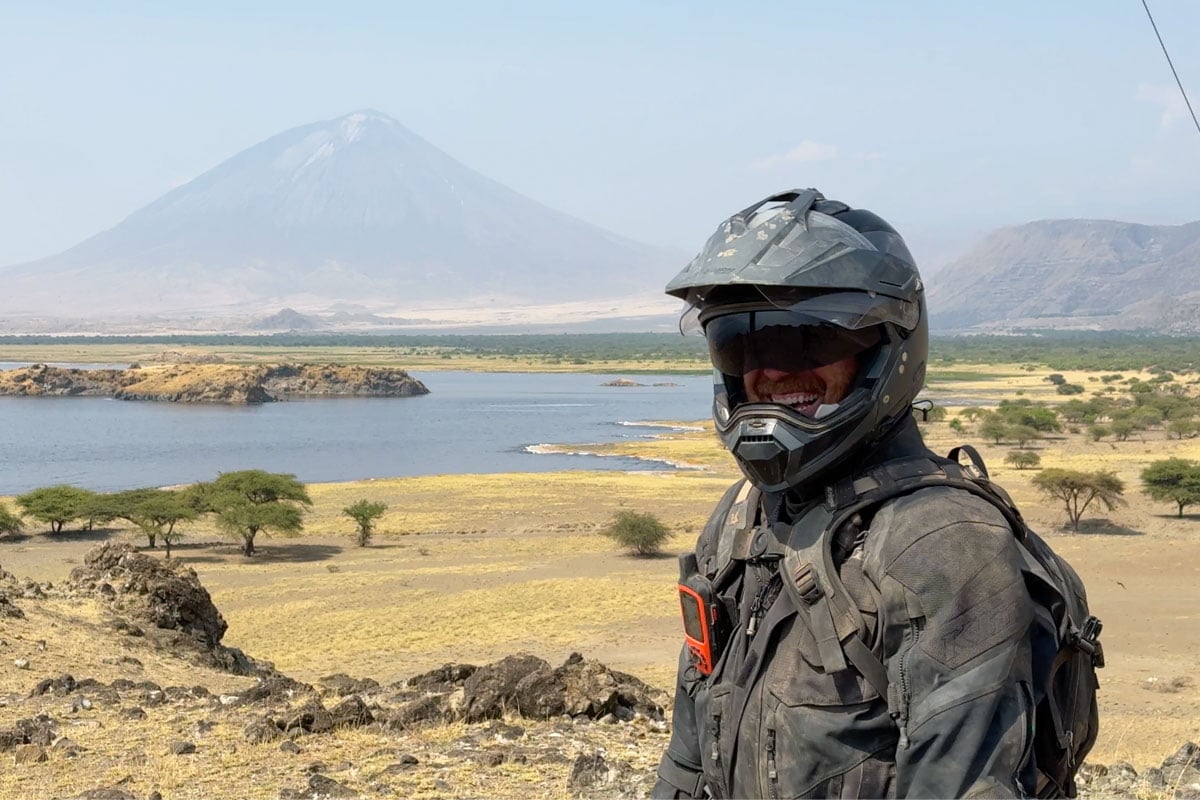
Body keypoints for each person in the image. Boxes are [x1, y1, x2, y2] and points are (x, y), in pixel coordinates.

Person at [652, 189, 1041, 799]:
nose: (771, 370)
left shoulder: (941, 542)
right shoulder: (741, 517)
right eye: (741, 342)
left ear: (886, 348)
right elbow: (690, 752)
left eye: (812, 340)